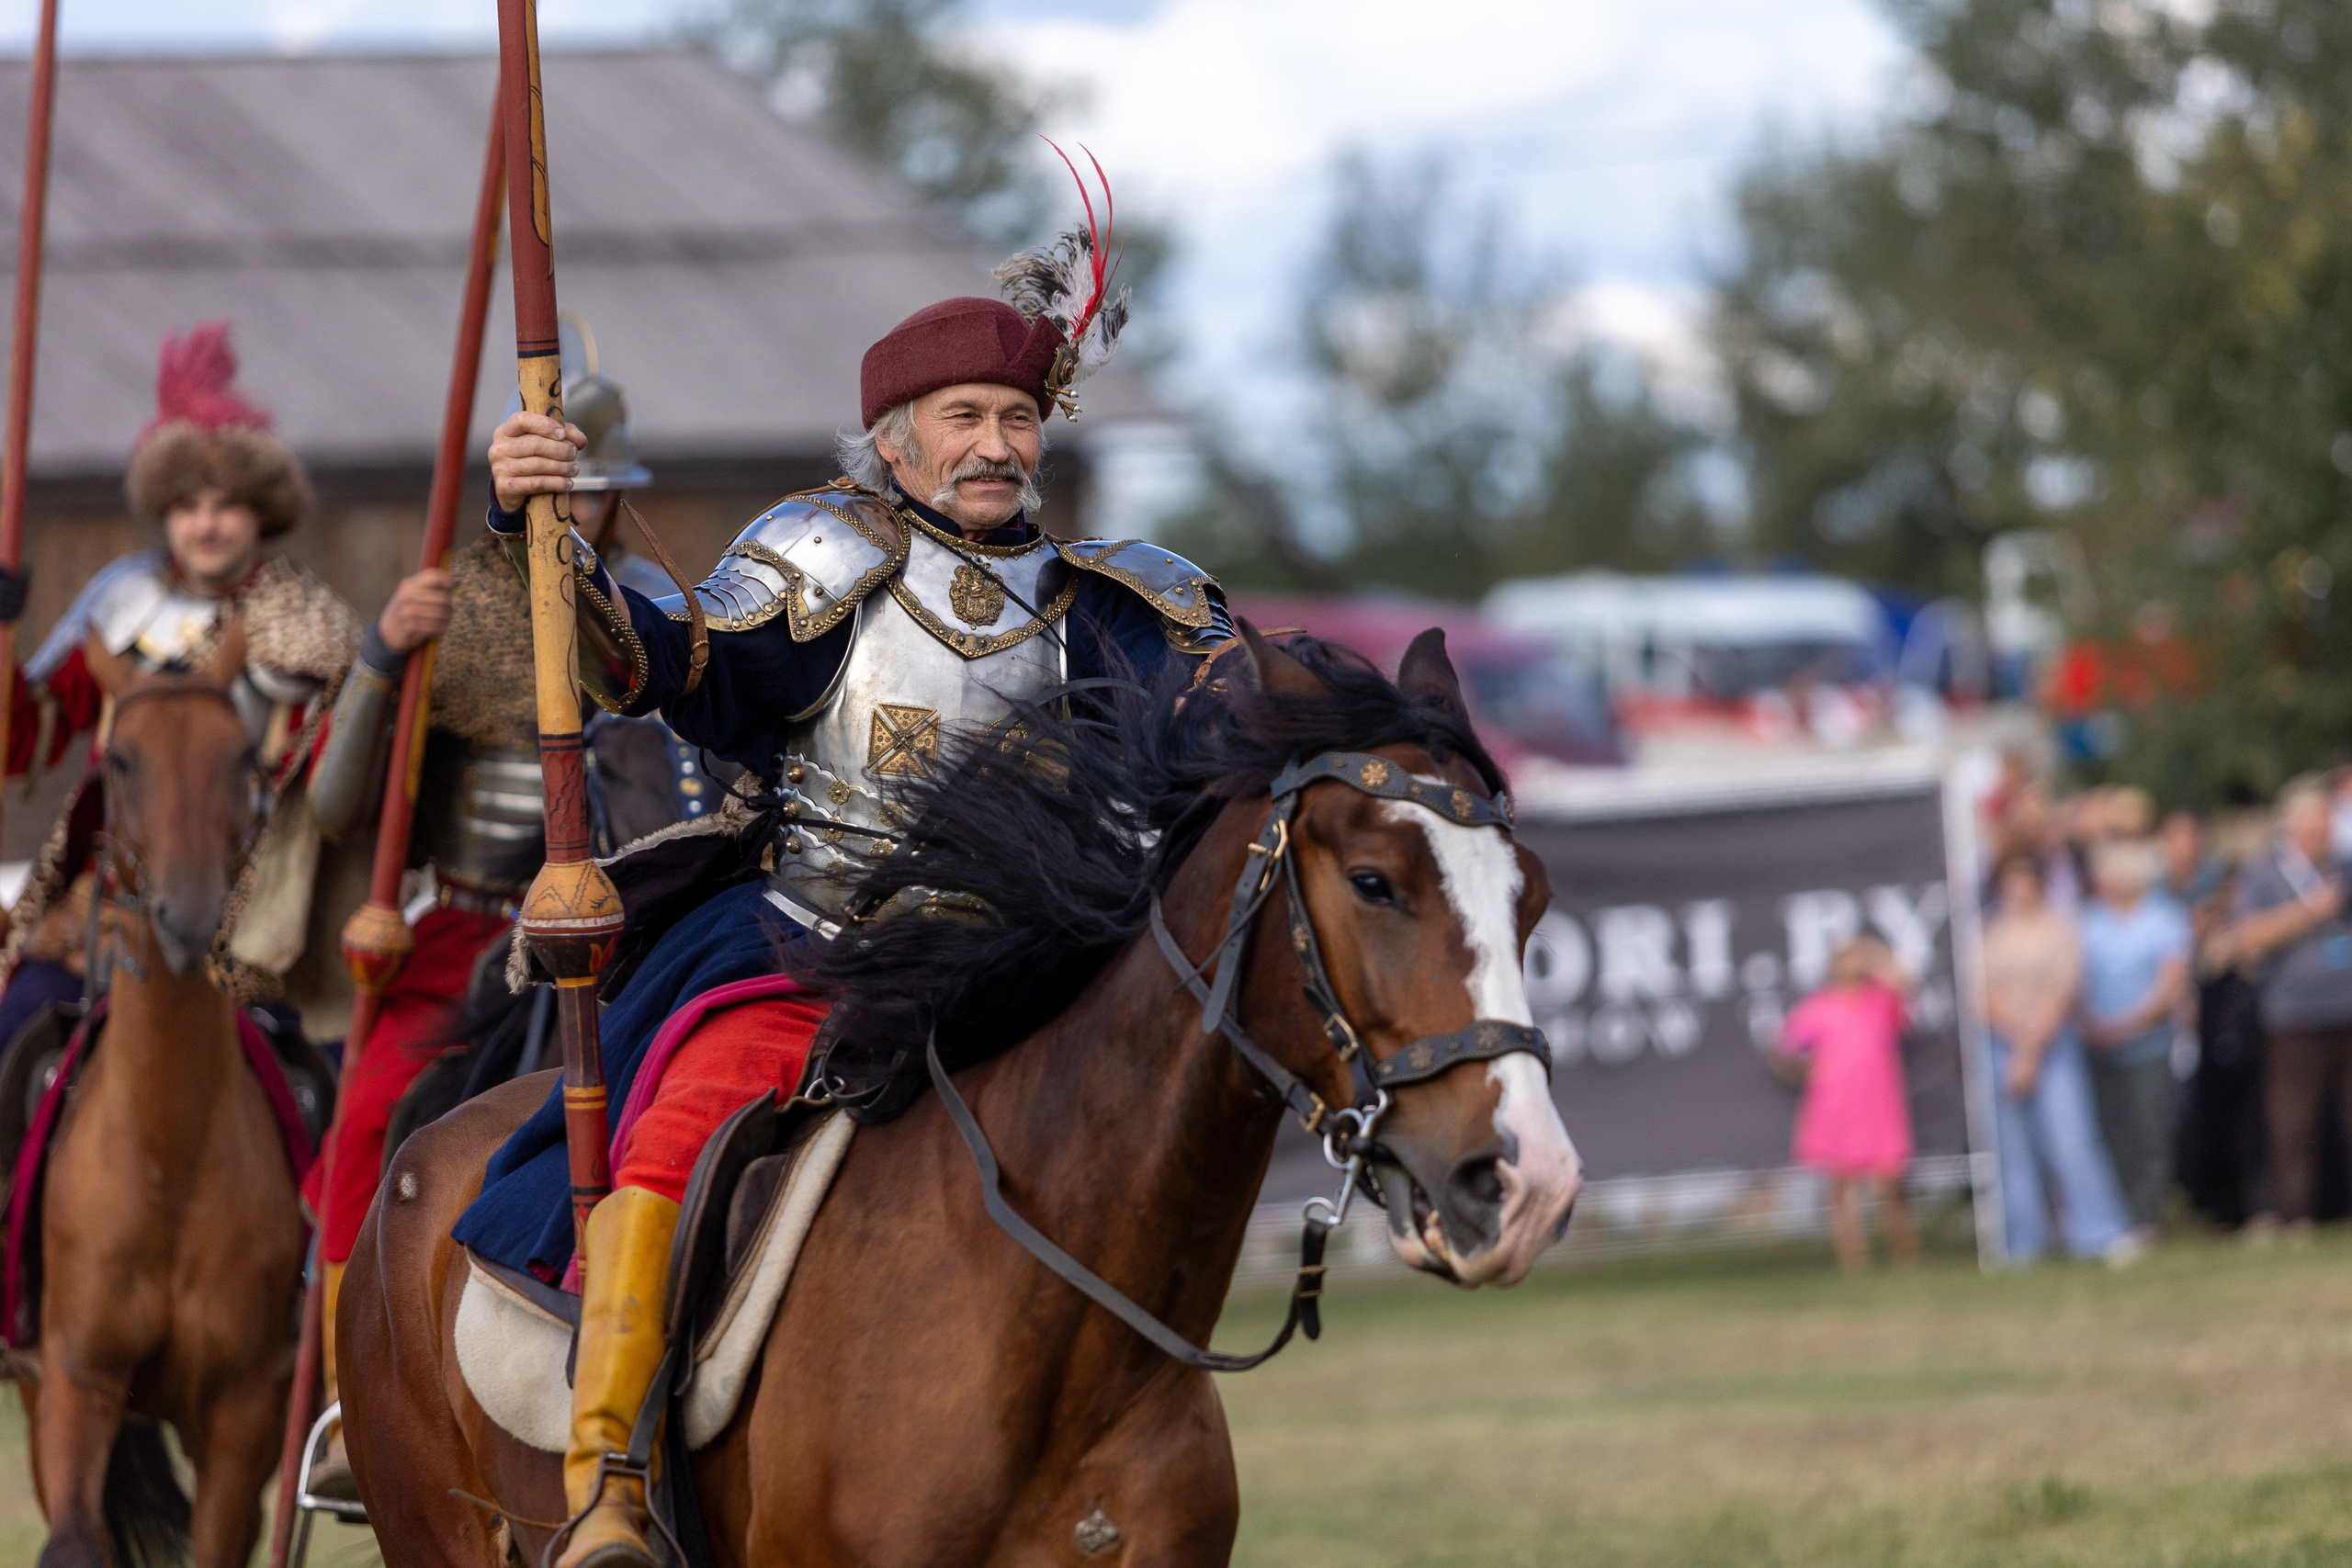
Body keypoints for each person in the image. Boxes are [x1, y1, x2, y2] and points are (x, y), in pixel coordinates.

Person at [450, 194, 1232, 1568]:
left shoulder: (1127, 600)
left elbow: (1234, 724)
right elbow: (666, 660)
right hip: (824, 947)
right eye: (963, 416)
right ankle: (612, 1479)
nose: (994, 443)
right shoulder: (826, 554)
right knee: (673, 1129)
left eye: (1015, 416)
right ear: (894, 440)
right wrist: (544, 541)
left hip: (1044, 966)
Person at [0, 323, 360, 1003]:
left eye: (226, 506)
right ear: (165, 514)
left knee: (326, 1075)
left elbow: (342, 783)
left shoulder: (309, 623)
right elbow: (18, 742)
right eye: (189, 506)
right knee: (16, 1021)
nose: (207, 525)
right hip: (109, 902)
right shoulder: (118, 603)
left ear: (260, 514)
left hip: (261, 905)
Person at [1980, 851, 2139, 1266]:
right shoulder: (1988, 935)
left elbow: (2063, 988)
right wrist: (2016, 1040)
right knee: (2012, 1151)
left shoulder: (2060, 930)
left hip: (2053, 1045)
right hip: (2002, 1045)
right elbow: (1981, 995)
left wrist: (2031, 1047)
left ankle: (2101, 1232)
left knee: (2072, 1141)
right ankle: (2023, 1244)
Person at [2218, 777, 2352, 1235]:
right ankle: (2295, 1215)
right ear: (2294, 824)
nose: (2325, 829)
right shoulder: (2264, 873)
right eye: (2316, 820)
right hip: (2293, 1017)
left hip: (2346, 1008)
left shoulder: (2344, 866)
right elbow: (2245, 936)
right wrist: (2309, 912)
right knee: (2293, 1122)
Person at [1772, 936, 1917, 1270]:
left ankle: (1904, 1253)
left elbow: (1905, 984)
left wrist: (1875, 955)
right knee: (1841, 1187)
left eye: (1854, 960)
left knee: (1890, 1183)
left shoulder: (1879, 1002)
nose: (1848, 966)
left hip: (1878, 1106)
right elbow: (1784, 1049)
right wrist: (1806, 1070)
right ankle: (1854, 1259)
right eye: (1842, 960)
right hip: (1837, 1108)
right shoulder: (1817, 1007)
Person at [2076, 838, 2191, 1237]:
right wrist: (2093, 1024)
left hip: (2148, 1046)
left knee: (2147, 1131)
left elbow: (2170, 984)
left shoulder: (2164, 917)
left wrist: (2125, 1025)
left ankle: (2145, 1217)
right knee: (2109, 1133)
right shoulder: (2087, 920)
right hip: (2097, 1046)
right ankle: (2114, 1217)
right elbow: (2074, 979)